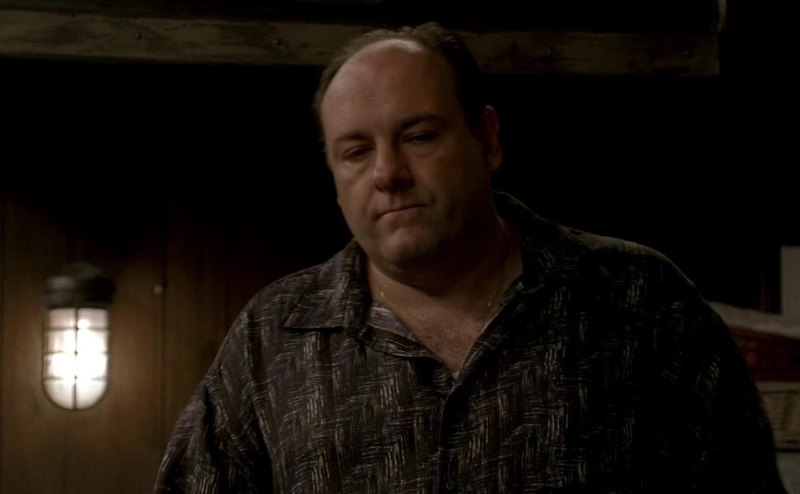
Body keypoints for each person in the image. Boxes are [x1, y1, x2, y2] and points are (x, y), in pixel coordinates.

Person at [154, 23, 786, 493]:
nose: (388, 174)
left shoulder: (639, 300)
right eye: (356, 151)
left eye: (418, 136)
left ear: (486, 139)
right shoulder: (274, 334)